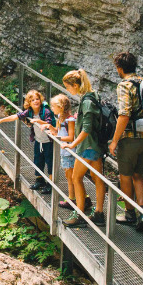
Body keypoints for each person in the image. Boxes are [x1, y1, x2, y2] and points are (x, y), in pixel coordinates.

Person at [109, 51, 143, 232]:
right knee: (139, 175)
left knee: (125, 176)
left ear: (119, 68)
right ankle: (142, 214)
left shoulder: (125, 85)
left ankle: (129, 213)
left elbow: (124, 114)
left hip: (130, 140)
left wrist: (114, 140)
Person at [60, 69, 106, 227]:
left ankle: (79, 215)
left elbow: (86, 128)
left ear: (75, 85)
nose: (68, 90)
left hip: (88, 146)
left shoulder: (87, 101)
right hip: (97, 144)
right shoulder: (93, 95)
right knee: (97, 178)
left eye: (68, 87)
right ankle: (99, 213)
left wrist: (72, 144)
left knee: (76, 178)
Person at [0, 89, 55, 193]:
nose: (36, 101)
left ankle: (50, 184)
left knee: (49, 162)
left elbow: (49, 124)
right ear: (29, 103)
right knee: (38, 160)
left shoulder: (45, 111)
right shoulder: (29, 111)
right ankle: (40, 180)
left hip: (49, 142)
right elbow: (15, 116)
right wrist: (0, 121)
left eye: (37, 99)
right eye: (33, 100)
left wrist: (38, 121)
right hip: (38, 140)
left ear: (40, 100)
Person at [48, 94, 87, 211]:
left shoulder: (70, 120)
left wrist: (58, 137)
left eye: (54, 106)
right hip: (63, 151)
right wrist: (50, 127)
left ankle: (72, 199)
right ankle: (83, 198)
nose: (52, 108)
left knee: (71, 177)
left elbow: (70, 137)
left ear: (61, 107)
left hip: (69, 151)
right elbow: (57, 132)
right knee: (68, 175)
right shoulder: (60, 117)